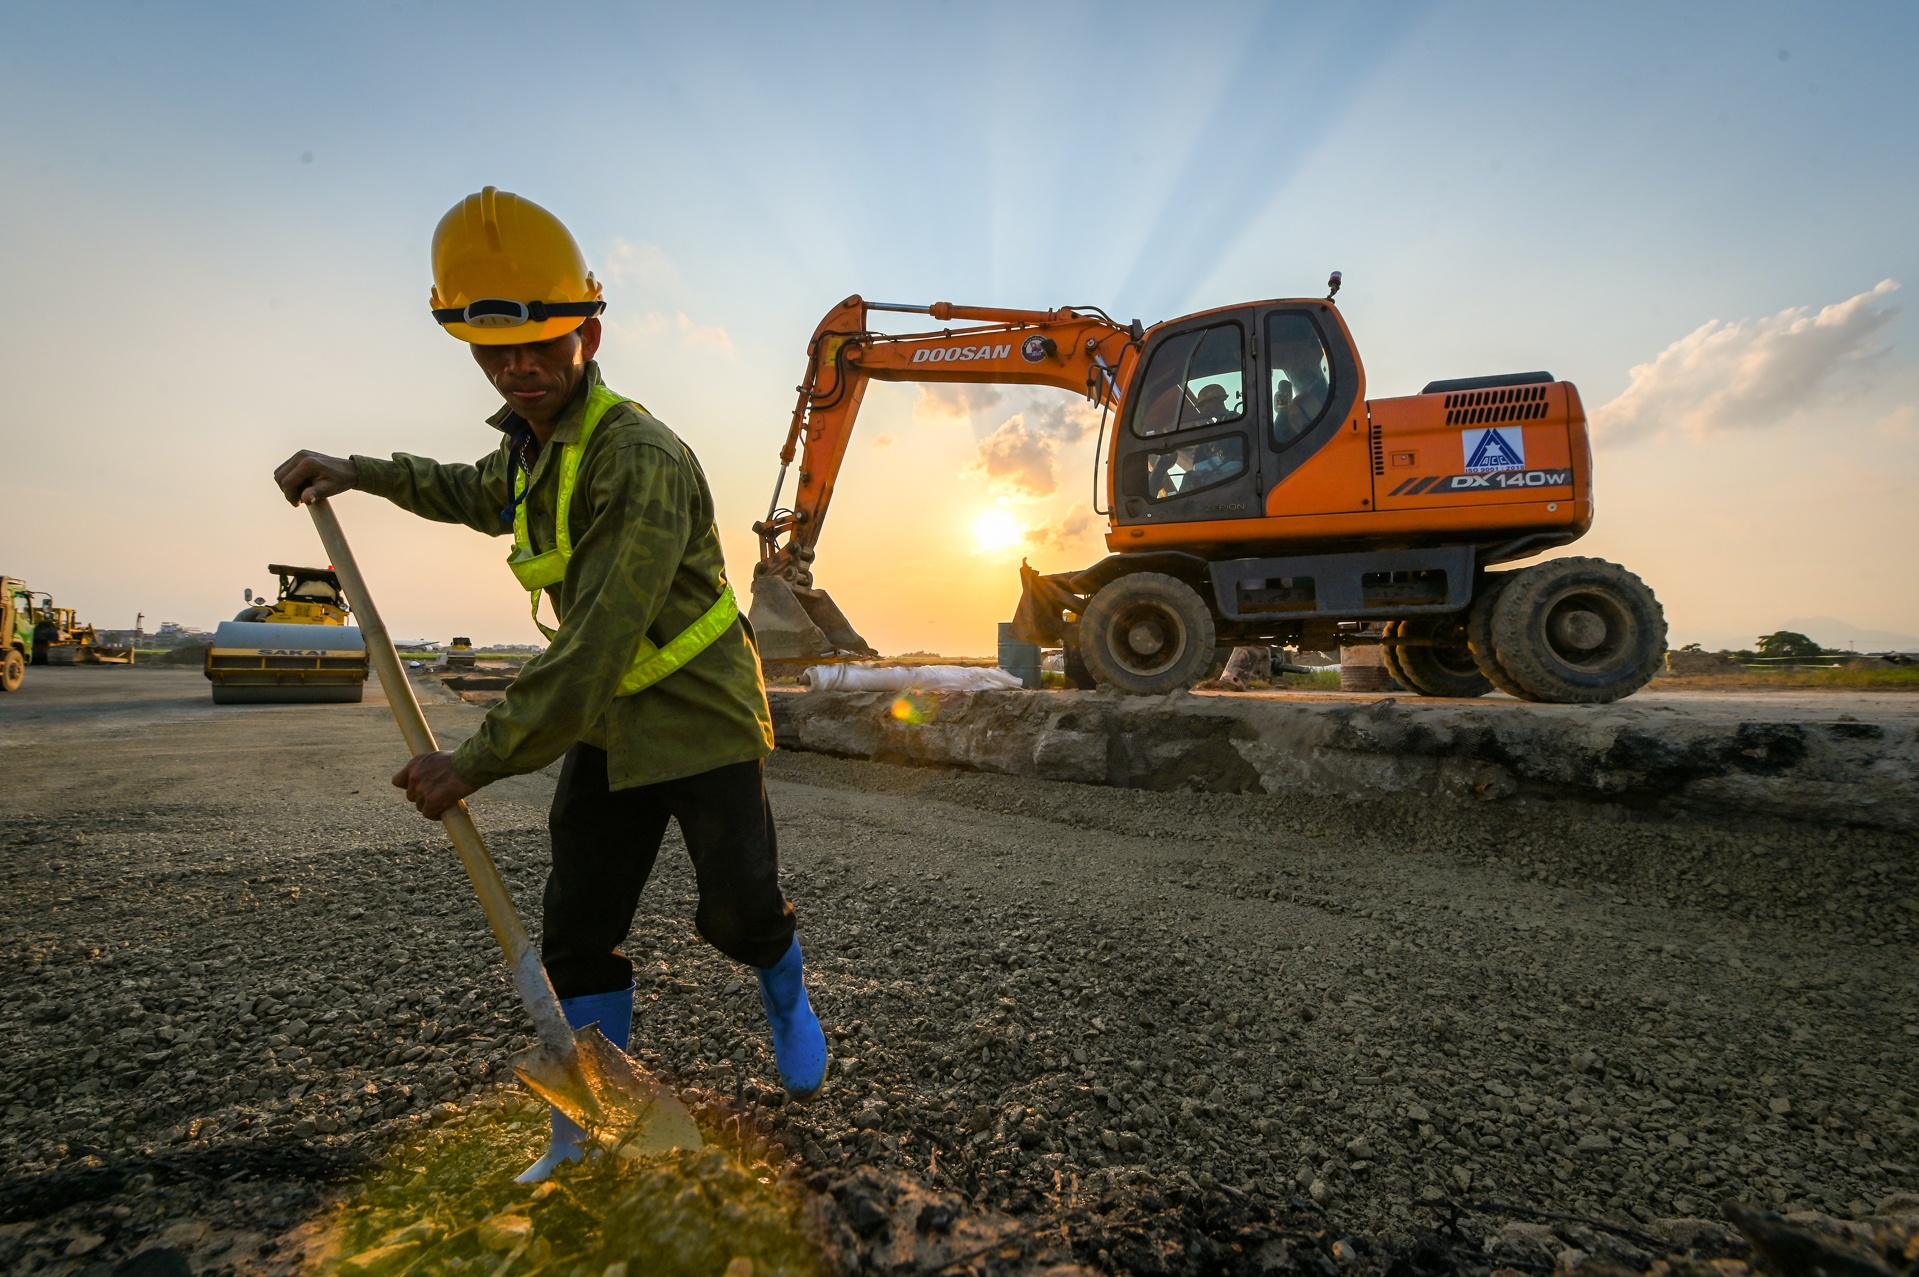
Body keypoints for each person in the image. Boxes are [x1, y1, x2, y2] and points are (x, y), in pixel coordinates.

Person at [273, 187, 827, 1182]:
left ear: (589, 333)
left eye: (539, 346)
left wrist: (472, 762)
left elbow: (594, 645)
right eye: (495, 354)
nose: (517, 368)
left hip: (698, 716)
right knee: (578, 927)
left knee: (735, 914)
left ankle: (784, 989)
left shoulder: (639, 457)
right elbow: (465, 486)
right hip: (610, 727)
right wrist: (351, 469)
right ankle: (588, 1114)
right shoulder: (530, 449)